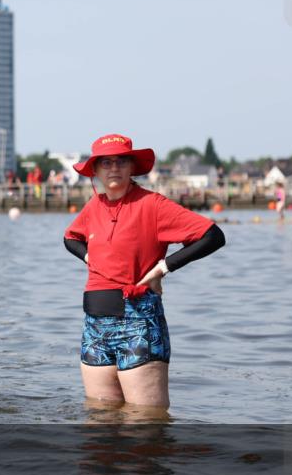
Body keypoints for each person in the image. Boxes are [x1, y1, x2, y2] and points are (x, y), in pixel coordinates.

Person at [63, 134, 225, 411]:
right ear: (96, 170)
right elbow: (70, 237)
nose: (113, 167)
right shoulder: (94, 206)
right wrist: (92, 257)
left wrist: (163, 268)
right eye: (106, 162)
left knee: (146, 424)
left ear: (131, 167)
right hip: (95, 326)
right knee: (100, 423)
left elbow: (212, 236)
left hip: (138, 323)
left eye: (121, 161)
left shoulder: (153, 205)